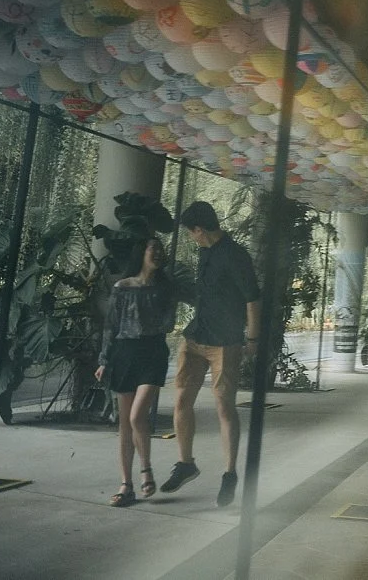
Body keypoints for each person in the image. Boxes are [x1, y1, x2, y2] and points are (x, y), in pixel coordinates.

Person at [160, 201, 260, 508]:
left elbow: (253, 298)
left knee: (223, 407)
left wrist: (253, 338)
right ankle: (186, 463)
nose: (191, 237)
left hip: (224, 342)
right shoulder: (204, 252)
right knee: (181, 401)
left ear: (199, 229)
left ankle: (229, 474)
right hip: (195, 337)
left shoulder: (235, 255)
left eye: (191, 232)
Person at [97, 237, 177, 508]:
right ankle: (126, 485)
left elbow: (168, 323)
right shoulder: (122, 287)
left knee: (136, 416)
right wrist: (103, 360)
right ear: (141, 252)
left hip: (152, 353)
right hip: (124, 354)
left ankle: (146, 469)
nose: (157, 253)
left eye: (160, 250)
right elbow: (110, 327)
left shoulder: (165, 289)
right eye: (152, 247)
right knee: (124, 424)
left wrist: (155, 298)